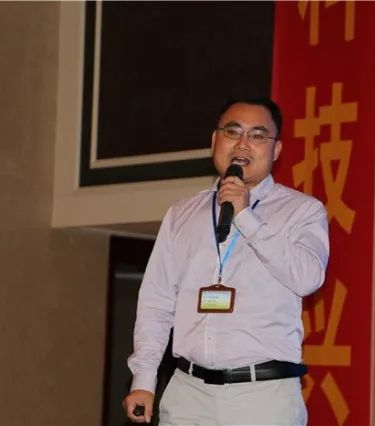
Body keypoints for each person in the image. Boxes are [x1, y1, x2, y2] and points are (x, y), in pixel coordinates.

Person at [123, 98, 329, 425]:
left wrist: (246, 216)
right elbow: (157, 301)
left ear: (276, 150)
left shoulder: (302, 211)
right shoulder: (181, 214)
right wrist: (144, 380)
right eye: (232, 132)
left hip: (263, 397)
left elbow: (308, 278)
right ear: (214, 141)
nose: (242, 143)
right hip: (188, 394)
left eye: (258, 135)